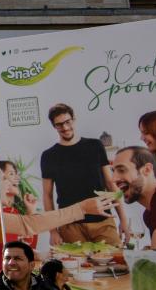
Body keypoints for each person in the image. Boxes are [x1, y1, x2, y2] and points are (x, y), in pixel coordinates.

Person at [39, 105, 120, 247]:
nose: (65, 127)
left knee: (115, 265)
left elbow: (110, 182)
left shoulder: (95, 145)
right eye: (59, 124)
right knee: (77, 267)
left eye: (67, 122)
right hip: (70, 226)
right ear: (54, 126)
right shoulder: (48, 156)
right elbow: (47, 195)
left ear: (73, 120)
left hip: (103, 222)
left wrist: (123, 220)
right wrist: (53, 231)